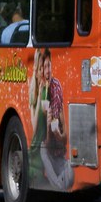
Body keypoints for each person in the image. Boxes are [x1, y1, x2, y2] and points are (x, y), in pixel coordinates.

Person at [27, 47, 73, 190]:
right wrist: (40, 95)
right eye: (43, 68)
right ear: (37, 71)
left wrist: (59, 135)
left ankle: (59, 183)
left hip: (57, 152)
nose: (47, 71)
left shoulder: (56, 87)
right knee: (43, 152)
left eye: (48, 66)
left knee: (71, 174)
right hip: (43, 149)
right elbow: (36, 132)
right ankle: (59, 186)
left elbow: (65, 136)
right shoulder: (35, 91)